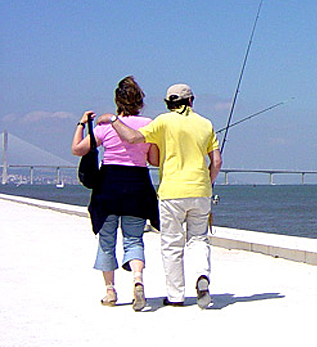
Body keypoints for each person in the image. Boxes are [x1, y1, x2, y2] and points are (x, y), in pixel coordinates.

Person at [98, 83, 222, 309]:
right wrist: (208, 183)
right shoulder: (206, 124)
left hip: (172, 192)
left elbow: (132, 138)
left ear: (168, 103)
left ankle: (175, 296)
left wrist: (113, 120)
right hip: (201, 190)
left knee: (172, 244)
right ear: (191, 101)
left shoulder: (162, 122)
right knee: (198, 239)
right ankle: (202, 275)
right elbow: (217, 162)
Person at [71, 76, 160, 311]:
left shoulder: (104, 126)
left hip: (108, 187)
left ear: (117, 101)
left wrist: (81, 124)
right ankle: (138, 280)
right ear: (140, 101)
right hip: (138, 185)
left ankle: (110, 292)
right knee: (134, 239)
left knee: (106, 240)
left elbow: (77, 149)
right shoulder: (149, 125)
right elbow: (154, 160)